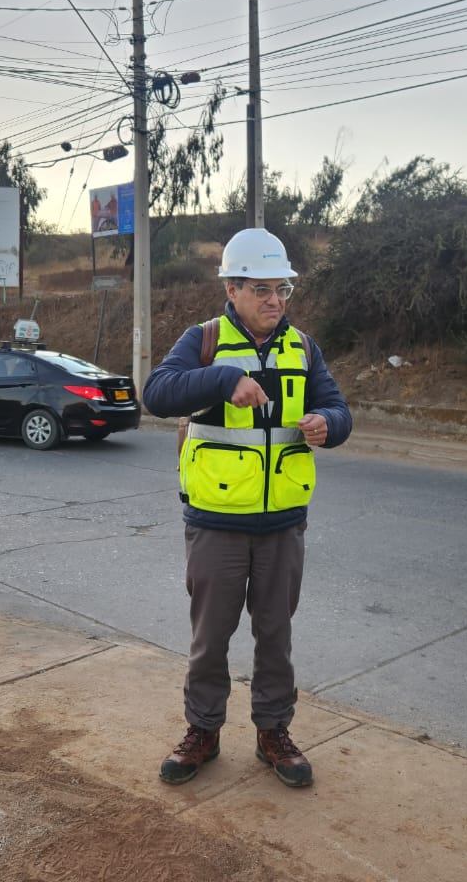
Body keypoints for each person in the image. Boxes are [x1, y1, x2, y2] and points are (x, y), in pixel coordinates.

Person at [143, 227, 352, 789]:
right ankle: (203, 732)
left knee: (276, 637)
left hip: (283, 524)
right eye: (261, 289)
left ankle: (273, 733)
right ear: (231, 289)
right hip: (216, 522)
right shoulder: (204, 340)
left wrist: (327, 424)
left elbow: (339, 409)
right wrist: (223, 379)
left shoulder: (303, 347)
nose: (275, 300)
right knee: (210, 639)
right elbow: (156, 393)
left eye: (282, 288)